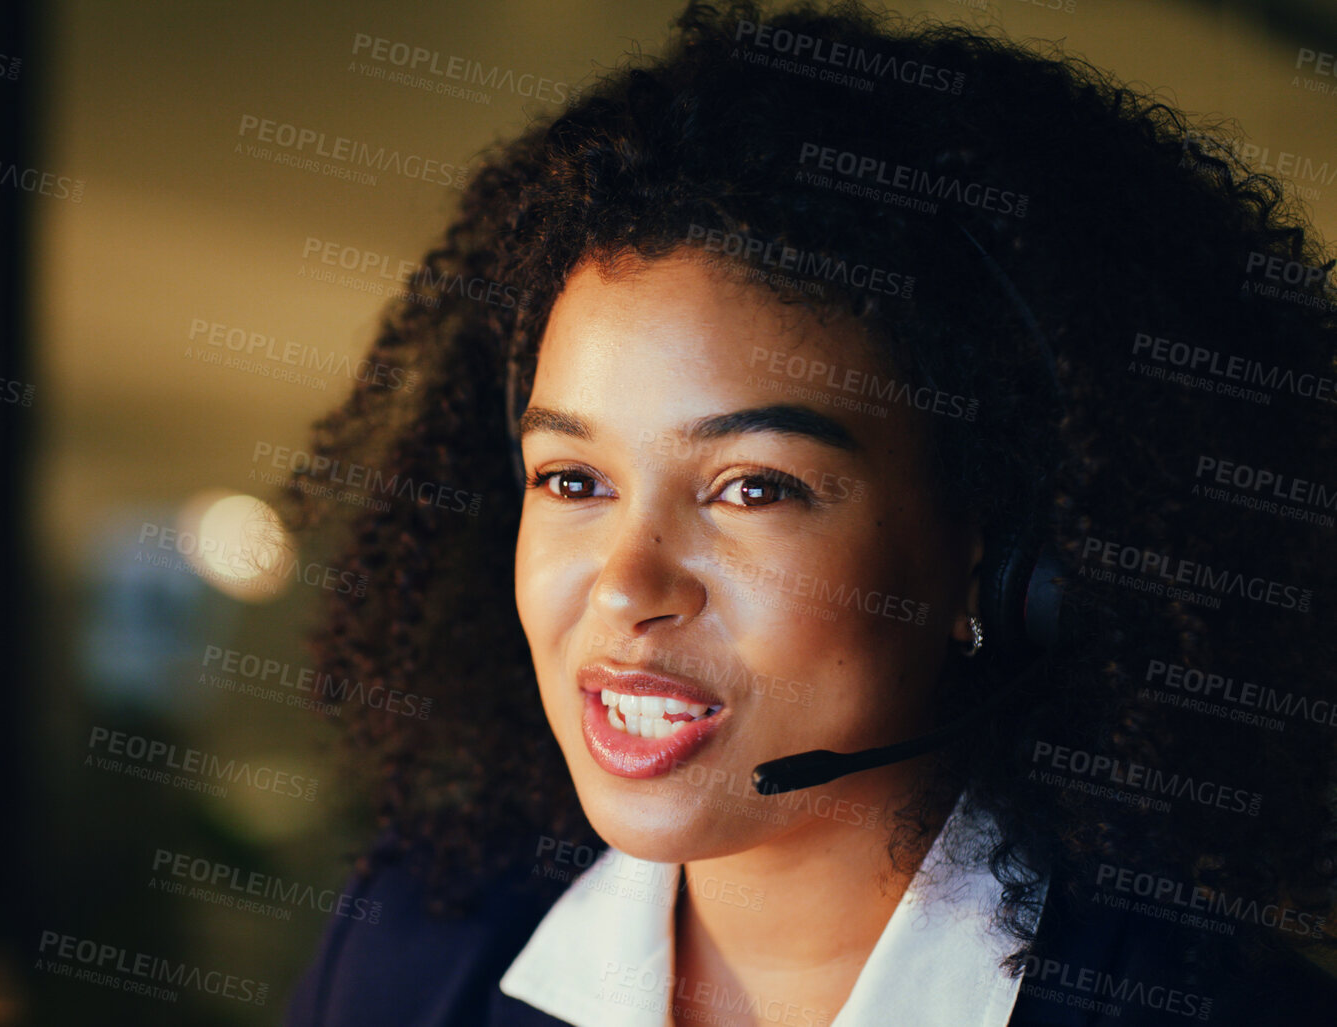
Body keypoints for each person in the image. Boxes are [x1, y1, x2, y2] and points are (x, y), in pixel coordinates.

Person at [272, 2, 1337, 1024]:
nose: (625, 586)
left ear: (1001, 558)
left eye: (753, 487)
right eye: (572, 478)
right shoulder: (418, 941)